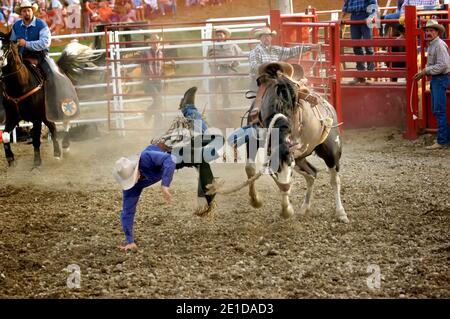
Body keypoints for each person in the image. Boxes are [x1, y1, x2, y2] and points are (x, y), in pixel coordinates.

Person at [114, 87, 222, 251]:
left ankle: (188, 108)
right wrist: (129, 240)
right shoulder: (131, 188)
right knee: (203, 156)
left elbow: (169, 161)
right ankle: (208, 197)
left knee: (211, 139)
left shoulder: (146, 157)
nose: (134, 180)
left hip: (173, 149)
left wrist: (165, 185)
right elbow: (127, 212)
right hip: (171, 157)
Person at [10, 0, 79, 121]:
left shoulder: (41, 24)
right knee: (9, 76)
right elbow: (12, 42)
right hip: (22, 58)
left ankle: (62, 103)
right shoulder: (16, 26)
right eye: (24, 11)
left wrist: (26, 43)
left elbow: (45, 43)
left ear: (32, 11)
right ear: (21, 13)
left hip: (40, 57)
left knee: (53, 74)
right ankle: (11, 110)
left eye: (28, 10)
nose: (26, 12)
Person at [414, 19, 450, 149]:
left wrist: (426, 71)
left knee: (439, 110)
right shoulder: (433, 44)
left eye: (431, 30)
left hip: (440, 78)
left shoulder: (438, 45)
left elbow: (443, 65)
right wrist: (426, 71)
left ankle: (442, 141)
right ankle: (445, 138)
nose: (428, 32)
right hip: (438, 79)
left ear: (437, 32)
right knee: (438, 110)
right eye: (427, 30)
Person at [248, 27, 319, 91]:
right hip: (260, 80)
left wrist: (310, 47)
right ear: (260, 38)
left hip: (274, 78)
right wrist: (269, 69)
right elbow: (254, 66)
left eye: (268, 36)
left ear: (271, 38)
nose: (267, 38)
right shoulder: (255, 51)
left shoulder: (275, 49)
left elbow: (291, 51)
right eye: (264, 36)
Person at [341, 0, 378, 84]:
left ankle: (370, 74)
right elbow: (345, 6)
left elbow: (373, 4)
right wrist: (341, 18)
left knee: (368, 46)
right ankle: (360, 74)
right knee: (356, 46)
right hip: (354, 17)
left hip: (366, 15)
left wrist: (371, 16)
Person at [207, 27, 243, 108]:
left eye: (220, 35)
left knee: (226, 91)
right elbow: (208, 57)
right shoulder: (211, 46)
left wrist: (234, 64)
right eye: (217, 35)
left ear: (225, 36)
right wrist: (212, 65)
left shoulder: (232, 45)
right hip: (214, 70)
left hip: (226, 69)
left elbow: (240, 54)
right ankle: (214, 108)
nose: (219, 37)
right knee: (212, 91)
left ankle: (227, 108)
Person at [142, 33, 165, 120]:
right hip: (149, 82)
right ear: (151, 44)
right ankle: (148, 113)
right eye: (153, 42)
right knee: (159, 100)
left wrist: (173, 64)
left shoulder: (161, 54)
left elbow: (164, 67)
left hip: (158, 82)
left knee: (158, 104)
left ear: (159, 44)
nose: (155, 44)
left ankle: (157, 128)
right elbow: (138, 62)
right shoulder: (145, 53)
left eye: (157, 42)